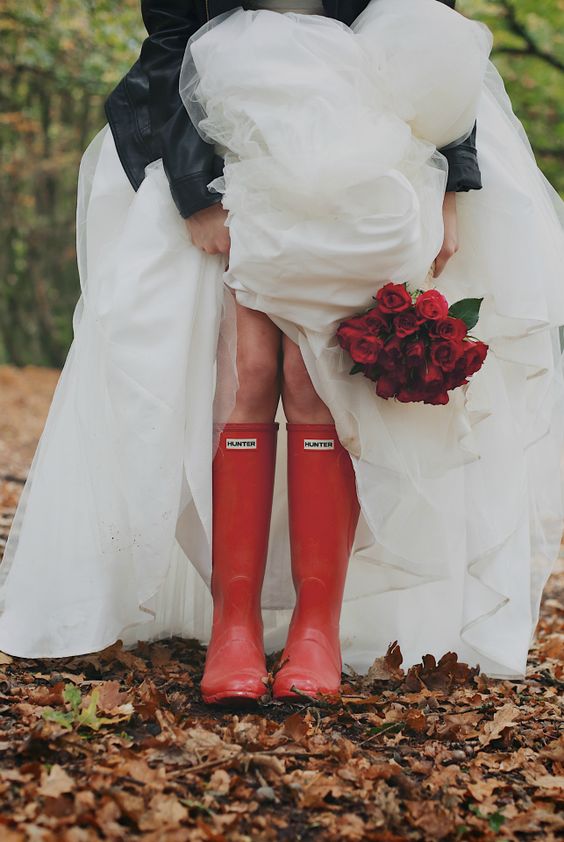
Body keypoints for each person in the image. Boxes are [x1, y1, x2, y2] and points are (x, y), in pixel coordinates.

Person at [0, 0, 563, 705]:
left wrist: (451, 179)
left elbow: (431, 37)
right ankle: (233, 623)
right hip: (225, 138)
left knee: (317, 378)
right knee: (249, 372)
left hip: (366, 156)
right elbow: (170, 43)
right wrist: (193, 189)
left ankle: (316, 627)